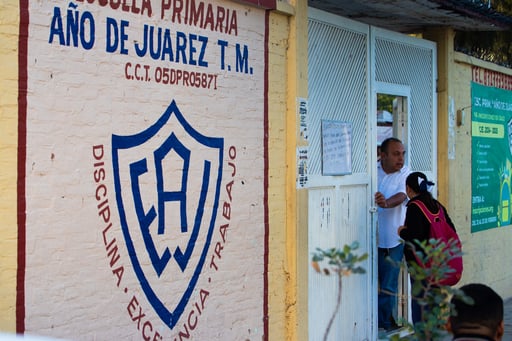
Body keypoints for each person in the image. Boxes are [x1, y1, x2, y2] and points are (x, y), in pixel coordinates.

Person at [398, 171, 457, 324]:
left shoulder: (414, 207)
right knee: (434, 303)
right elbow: (452, 230)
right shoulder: (437, 206)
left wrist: (402, 231)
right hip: (438, 263)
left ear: (408, 189)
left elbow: (414, 237)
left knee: (420, 304)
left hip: (420, 265)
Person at [375, 137, 410, 331]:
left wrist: (386, 203)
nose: (401, 158)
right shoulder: (373, 171)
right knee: (368, 282)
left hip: (393, 240)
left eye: (402, 153)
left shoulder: (406, 173)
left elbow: (403, 195)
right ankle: (371, 321)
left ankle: (386, 322)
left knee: (388, 283)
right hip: (370, 237)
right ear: (383, 155)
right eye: (396, 154)